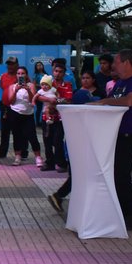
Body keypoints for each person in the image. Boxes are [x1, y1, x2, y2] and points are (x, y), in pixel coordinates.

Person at [88, 49, 132, 230]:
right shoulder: (120, 82)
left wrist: (104, 102)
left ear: (127, 63)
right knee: (113, 175)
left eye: (116, 62)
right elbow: (111, 100)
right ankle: (121, 211)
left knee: (121, 175)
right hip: (113, 134)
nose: (113, 66)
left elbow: (130, 101)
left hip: (127, 135)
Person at [47, 73, 103, 213]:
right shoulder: (82, 118)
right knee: (79, 177)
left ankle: (61, 197)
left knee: (78, 177)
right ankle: (60, 196)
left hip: (74, 148)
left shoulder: (75, 114)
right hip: (77, 149)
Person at [38, 62, 73, 172]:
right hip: (47, 117)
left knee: (58, 141)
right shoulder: (48, 84)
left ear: (64, 73)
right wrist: (49, 100)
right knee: (47, 141)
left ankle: (62, 163)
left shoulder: (67, 85)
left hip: (60, 118)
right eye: (56, 71)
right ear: (53, 72)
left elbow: (68, 100)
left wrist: (56, 101)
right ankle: (49, 163)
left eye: (60, 72)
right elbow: (39, 96)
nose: (57, 74)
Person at [6, 66, 43, 167]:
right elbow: (11, 101)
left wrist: (28, 90)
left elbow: (33, 101)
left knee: (32, 136)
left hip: (28, 115)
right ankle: (17, 157)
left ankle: (38, 157)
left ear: (26, 75)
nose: (20, 75)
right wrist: (16, 90)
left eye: (23, 73)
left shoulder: (31, 85)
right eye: (18, 73)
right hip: (15, 113)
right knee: (16, 135)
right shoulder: (12, 86)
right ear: (16, 75)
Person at [0, 56, 26, 159]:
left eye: (12, 64)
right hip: (5, 107)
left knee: (18, 131)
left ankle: (22, 153)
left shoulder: (21, 76)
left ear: (17, 65)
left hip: (16, 107)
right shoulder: (3, 76)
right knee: (4, 131)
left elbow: (27, 88)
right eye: (8, 64)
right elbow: (3, 88)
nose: (10, 66)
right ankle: (2, 153)